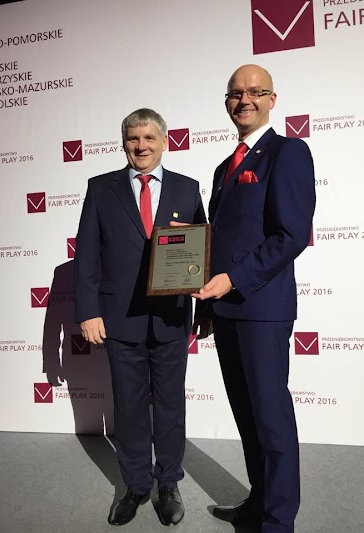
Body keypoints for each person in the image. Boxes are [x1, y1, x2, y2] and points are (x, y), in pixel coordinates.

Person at [193, 65, 315, 533]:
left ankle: (278, 521)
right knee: (247, 417)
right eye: (235, 94)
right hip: (225, 310)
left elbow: (291, 235)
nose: (244, 100)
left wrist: (233, 279)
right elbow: (221, 240)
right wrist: (207, 304)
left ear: (271, 99)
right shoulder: (224, 167)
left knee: (271, 420)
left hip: (262, 308)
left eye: (255, 92)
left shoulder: (288, 152)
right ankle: (259, 502)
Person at [74, 108, 206, 526]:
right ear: (123, 143)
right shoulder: (101, 188)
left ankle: (168, 484)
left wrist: (204, 308)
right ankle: (134, 485)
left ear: (165, 141)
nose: (141, 146)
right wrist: (89, 311)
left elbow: (201, 254)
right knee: (129, 408)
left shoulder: (188, 188)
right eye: (133, 138)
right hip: (118, 318)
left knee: (170, 406)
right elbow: (86, 255)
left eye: (149, 138)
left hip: (171, 317)